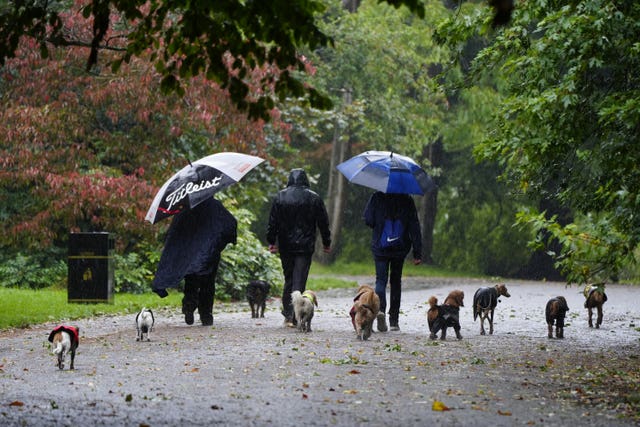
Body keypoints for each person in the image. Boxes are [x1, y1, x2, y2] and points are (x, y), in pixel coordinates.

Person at [152, 196, 237, 326]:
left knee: (191, 281)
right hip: (210, 252)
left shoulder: (185, 208)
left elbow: (174, 232)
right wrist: (222, 241)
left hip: (189, 253)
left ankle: (189, 306)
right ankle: (206, 314)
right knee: (208, 283)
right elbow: (230, 224)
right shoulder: (215, 205)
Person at [266, 168, 331, 327]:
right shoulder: (314, 198)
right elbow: (323, 223)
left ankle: (288, 315)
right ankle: (295, 316)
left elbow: (272, 222)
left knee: (288, 278)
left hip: (286, 245)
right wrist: (326, 242)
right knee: (299, 280)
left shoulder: (280, 197)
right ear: (305, 180)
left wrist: (272, 241)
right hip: (305, 245)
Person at [363, 191, 422, 332]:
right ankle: (394, 321)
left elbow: (368, 219)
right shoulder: (406, 199)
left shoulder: (377, 196)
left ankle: (380, 310)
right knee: (396, 281)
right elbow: (414, 226)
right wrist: (417, 252)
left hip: (380, 246)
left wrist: (380, 223)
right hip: (399, 247)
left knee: (381, 280)